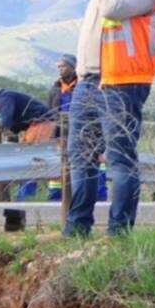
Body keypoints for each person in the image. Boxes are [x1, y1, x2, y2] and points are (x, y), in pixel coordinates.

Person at [65, 0, 155, 236]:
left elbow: (114, 9)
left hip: (122, 84)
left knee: (120, 160)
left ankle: (118, 233)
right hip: (89, 83)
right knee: (81, 156)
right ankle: (76, 231)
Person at [0, 82, 55, 201]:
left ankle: (27, 199)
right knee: (29, 160)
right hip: (34, 126)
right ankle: (25, 197)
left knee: (32, 161)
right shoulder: (1, 101)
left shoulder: (4, 98)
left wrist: (1, 133)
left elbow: (7, 122)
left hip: (41, 123)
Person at [45, 54, 103, 203]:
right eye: (58, 67)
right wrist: (52, 134)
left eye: (63, 66)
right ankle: (56, 199)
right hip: (61, 134)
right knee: (60, 168)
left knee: (90, 164)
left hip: (83, 133)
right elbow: (50, 113)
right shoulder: (55, 88)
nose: (60, 70)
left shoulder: (84, 86)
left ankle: (98, 197)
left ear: (73, 67)